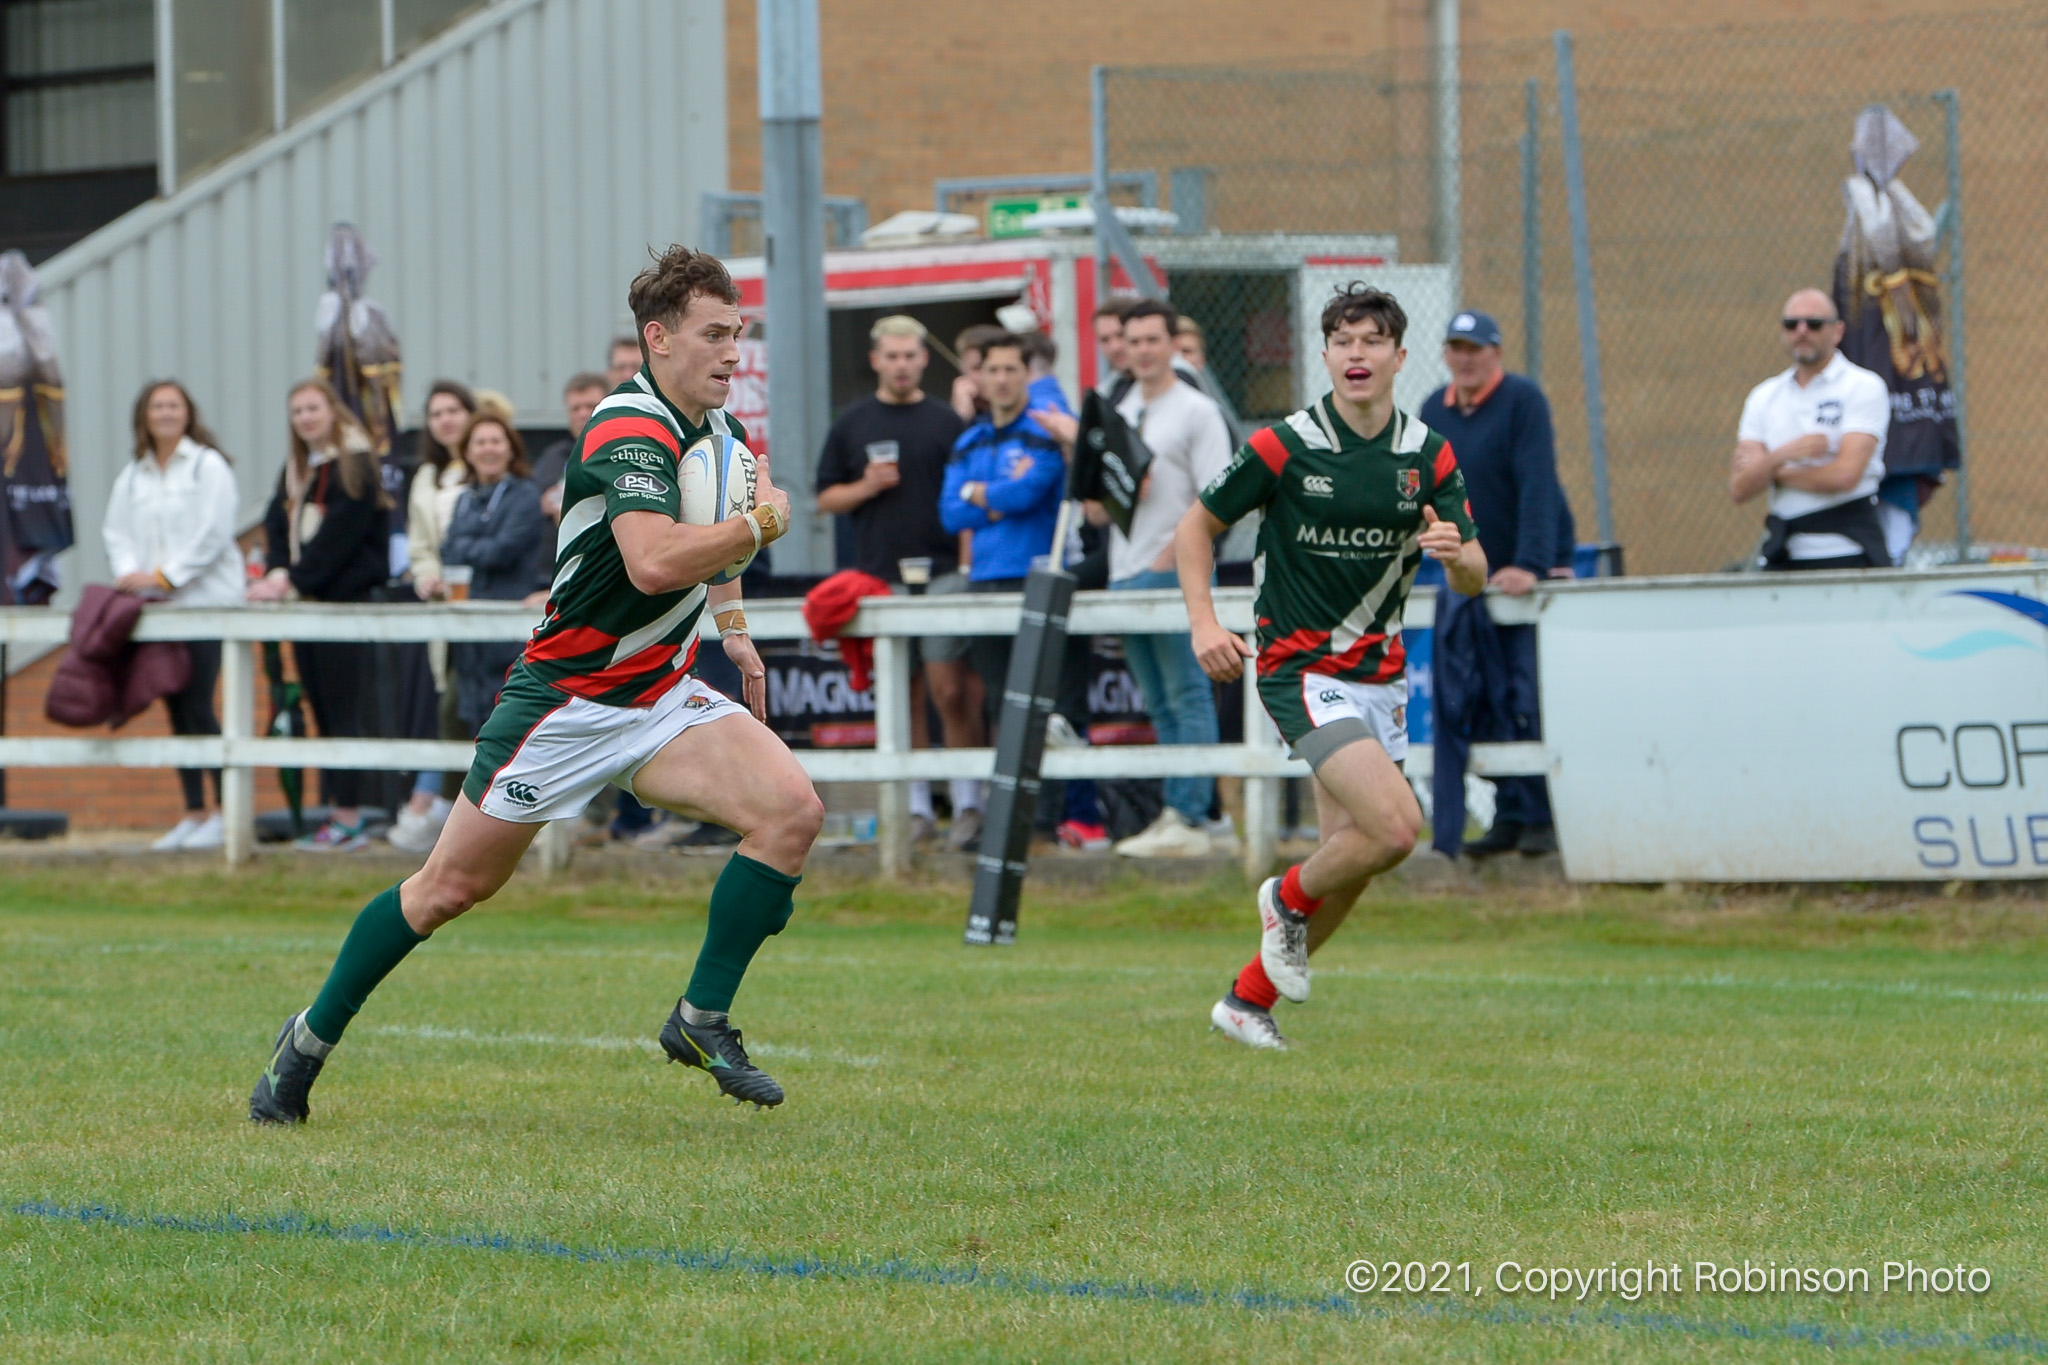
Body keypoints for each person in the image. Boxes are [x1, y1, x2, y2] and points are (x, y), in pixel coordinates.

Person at [249, 245, 818, 1124]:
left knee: (791, 811)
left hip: (659, 695)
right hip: (565, 704)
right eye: (714, 335)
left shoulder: (724, 434)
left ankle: (700, 1018)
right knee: (446, 890)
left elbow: (724, 543)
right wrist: (761, 520)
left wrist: (733, 629)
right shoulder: (626, 428)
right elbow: (658, 559)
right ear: (658, 338)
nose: (733, 353)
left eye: (737, 334)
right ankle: (306, 1043)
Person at [1175, 284, 1486, 1051]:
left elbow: (1475, 568)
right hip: (1300, 666)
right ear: (1326, 356)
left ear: (1398, 357)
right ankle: (1281, 896)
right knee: (1397, 827)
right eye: (1342, 341)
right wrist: (1204, 622)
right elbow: (1196, 526)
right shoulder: (1286, 443)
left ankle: (1245, 1003)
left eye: (1372, 341)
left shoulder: (1426, 453)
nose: (1357, 353)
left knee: (1355, 861)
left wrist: (1458, 557)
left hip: (1379, 674)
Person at [814, 315, 984, 848]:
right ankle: (914, 811)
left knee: (950, 690)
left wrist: (965, 566)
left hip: (943, 575)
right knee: (901, 694)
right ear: (876, 361)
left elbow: (970, 503)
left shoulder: (946, 422)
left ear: (923, 359)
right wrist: (865, 485)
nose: (902, 365)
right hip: (878, 579)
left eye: (911, 355)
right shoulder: (853, 423)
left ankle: (967, 805)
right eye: (892, 356)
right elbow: (824, 498)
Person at [1418, 310, 1567, 859]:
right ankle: (1507, 815)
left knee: (1525, 694)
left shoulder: (1524, 402)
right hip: (1469, 580)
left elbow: (1537, 485)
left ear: (1495, 353)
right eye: (1456, 348)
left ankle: (1542, 819)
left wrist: (1530, 561)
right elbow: (1421, 490)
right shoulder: (1435, 409)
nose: (1465, 358)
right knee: (1481, 698)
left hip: (1516, 579)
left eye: (1475, 348)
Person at [1098, 301, 1234, 858]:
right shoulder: (1120, 409)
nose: (1144, 350)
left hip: (1174, 576)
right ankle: (1177, 812)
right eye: (1134, 341)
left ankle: (1192, 814)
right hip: (1122, 571)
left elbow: (1221, 497)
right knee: (1157, 699)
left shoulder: (1198, 412)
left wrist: (1173, 558)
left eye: (1154, 339)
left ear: (1174, 343)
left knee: (1188, 691)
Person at [248, 379, 394, 851]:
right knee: (319, 710)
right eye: (298, 412)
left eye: (313, 408)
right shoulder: (297, 470)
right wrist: (275, 569)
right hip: (305, 606)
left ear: (332, 411)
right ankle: (336, 813)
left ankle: (349, 816)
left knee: (344, 710)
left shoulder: (356, 464)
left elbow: (340, 537)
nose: (306, 418)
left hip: (344, 606)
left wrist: (291, 580)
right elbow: (275, 521)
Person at [103, 380, 245, 851]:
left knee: (199, 704)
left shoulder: (208, 466)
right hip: (158, 614)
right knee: (176, 710)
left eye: (173, 405)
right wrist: (133, 577)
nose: (164, 413)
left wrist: (165, 576)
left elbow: (214, 532)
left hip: (204, 607)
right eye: (156, 406)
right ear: (144, 415)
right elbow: (116, 533)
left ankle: (227, 814)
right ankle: (194, 812)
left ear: (188, 412)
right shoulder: (133, 475)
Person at [939, 333, 1067, 742]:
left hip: (1034, 577)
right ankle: (1005, 803)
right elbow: (949, 514)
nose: (1001, 379)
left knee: (1043, 700)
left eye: (1011, 369)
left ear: (1027, 374)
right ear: (978, 377)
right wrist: (998, 497)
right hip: (983, 580)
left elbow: (1029, 493)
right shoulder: (969, 439)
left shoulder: (1044, 430)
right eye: (992, 369)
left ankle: (1048, 808)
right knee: (998, 697)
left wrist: (976, 491)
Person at [1731, 288, 1890, 571]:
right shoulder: (1764, 396)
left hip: (1848, 550)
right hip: (1784, 555)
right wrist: (1783, 455)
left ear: (1837, 331)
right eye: (1792, 324)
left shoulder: (1863, 387)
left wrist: (1770, 472)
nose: (1802, 331)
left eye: (1814, 324)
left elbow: (1844, 475)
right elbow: (1740, 488)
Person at [383, 380, 476, 852]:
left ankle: (441, 805)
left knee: (471, 705)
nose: (446, 420)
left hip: (484, 604)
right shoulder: (424, 477)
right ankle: (440, 805)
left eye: (454, 410)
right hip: (442, 609)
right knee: (447, 702)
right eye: (436, 413)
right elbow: (420, 545)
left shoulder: (483, 466)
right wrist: (425, 575)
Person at [440, 412, 548, 735]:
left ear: (511, 449)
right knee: (463, 718)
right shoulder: (463, 498)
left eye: (496, 441)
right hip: (469, 636)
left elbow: (502, 551)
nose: (488, 449)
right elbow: (445, 550)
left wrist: (465, 547)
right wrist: (473, 547)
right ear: (468, 452)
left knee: (507, 723)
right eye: (480, 442)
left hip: (510, 631)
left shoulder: (526, 496)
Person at [532, 372, 609, 524]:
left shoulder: (622, 454)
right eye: (575, 408)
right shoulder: (553, 456)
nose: (582, 414)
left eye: (591, 406)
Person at [949, 322, 1008, 423]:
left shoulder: (1034, 413)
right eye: (978, 368)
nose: (987, 376)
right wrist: (960, 418)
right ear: (962, 369)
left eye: (994, 367)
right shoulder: (942, 416)